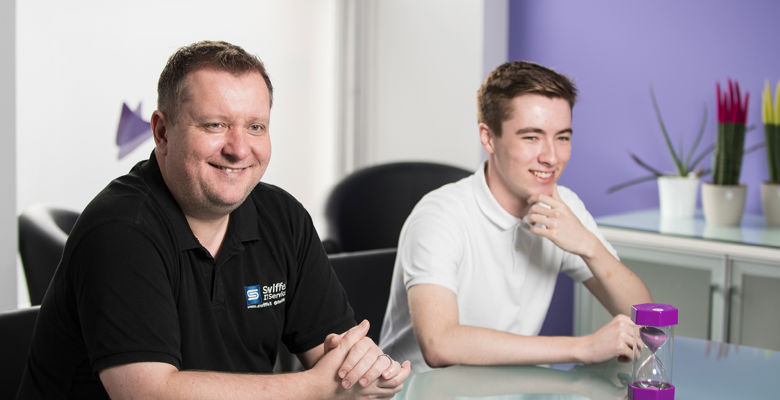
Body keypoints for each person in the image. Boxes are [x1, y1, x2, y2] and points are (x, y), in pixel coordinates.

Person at [18, 40, 410, 399]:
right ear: (162, 132)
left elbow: (338, 359)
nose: (239, 149)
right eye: (215, 125)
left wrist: (366, 372)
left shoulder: (282, 218)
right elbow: (148, 393)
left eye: (255, 126)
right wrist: (313, 386)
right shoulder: (121, 229)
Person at [379, 60, 652, 373]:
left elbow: (643, 315)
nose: (551, 157)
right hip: (420, 392)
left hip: (506, 391)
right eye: (531, 137)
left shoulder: (564, 207)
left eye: (562, 137)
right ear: (487, 138)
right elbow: (440, 344)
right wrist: (583, 347)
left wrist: (588, 246)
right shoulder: (440, 216)